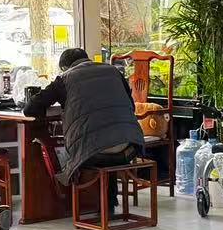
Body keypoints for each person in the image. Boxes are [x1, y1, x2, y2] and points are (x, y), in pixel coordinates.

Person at [21, 47, 144, 184]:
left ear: (64, 68)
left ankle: (76, 196)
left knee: (70, 155)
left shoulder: (65, 78)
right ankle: (107, 197)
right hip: (130, 147)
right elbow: (131, 106)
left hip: (93, 154)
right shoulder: (113, 71)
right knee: (106, 140)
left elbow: (30, 108)